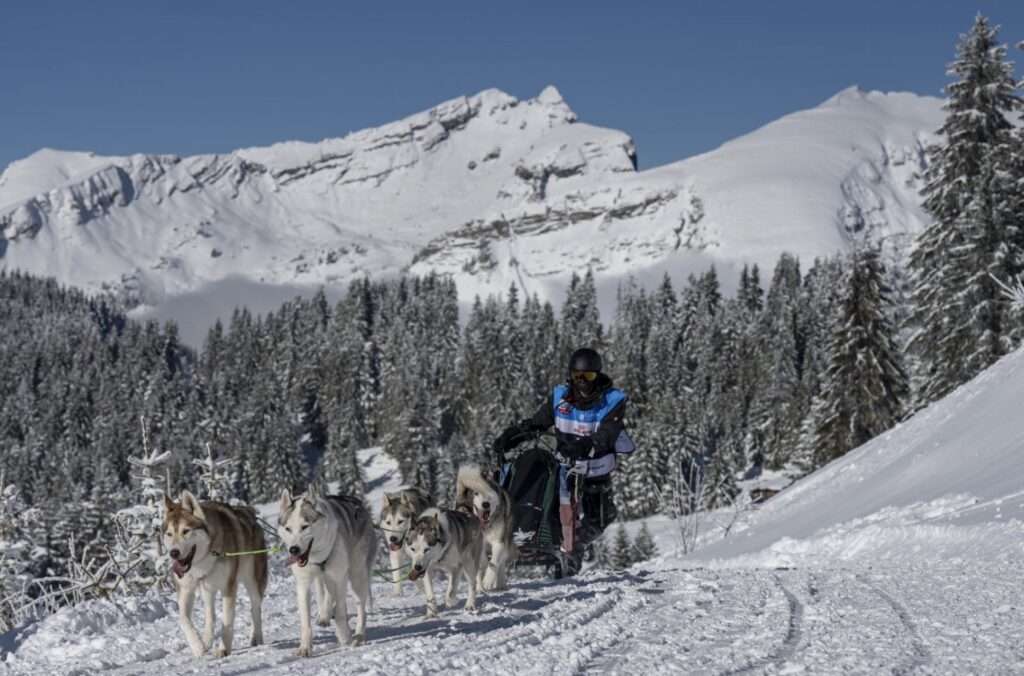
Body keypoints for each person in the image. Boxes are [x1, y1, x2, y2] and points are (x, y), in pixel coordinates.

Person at [493, 347, 633, 573]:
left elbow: (608, 432)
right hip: (565, 471)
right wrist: (513, 435)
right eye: (578, 376)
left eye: (588, 376)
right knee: (556, 511)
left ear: (597, 376)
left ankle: (575, 544)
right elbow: (538, 422)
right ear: (571, 375)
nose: (583, 382)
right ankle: (550, 547)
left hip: (595, 470)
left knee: (601, 518)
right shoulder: (560, 398)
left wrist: (584, 444)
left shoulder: (612, 400)